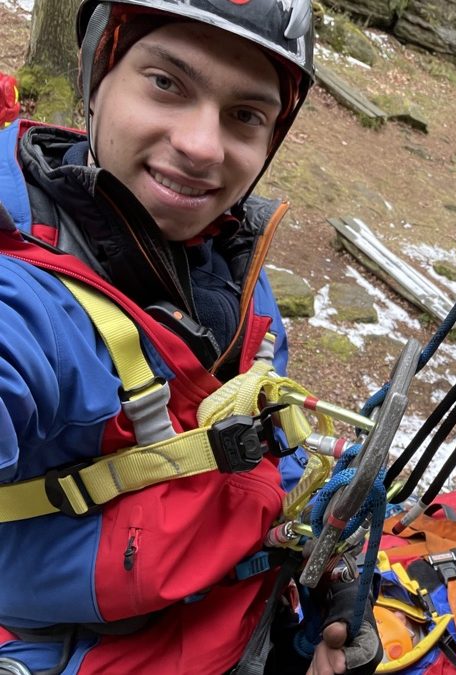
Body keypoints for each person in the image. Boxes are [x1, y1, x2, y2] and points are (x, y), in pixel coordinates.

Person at [0, 1, 380, 673]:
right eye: (167, 82)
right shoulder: (26, 295)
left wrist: (323, 559)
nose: (203, 146)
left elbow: (269, 457)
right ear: (99, 72)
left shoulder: (230, 265)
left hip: (238, 623)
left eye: (245, 115)